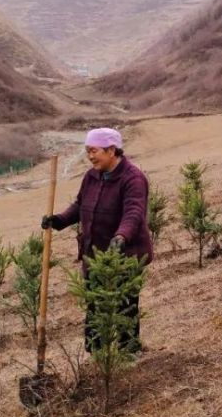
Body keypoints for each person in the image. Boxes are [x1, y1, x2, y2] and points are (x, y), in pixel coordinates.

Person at [41, 127, 152, 353]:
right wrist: (59, 221)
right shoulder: (92, 176)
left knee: (125, 305)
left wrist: (121, 236)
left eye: (94, 151)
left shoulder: (133, 178)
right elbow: (81, 205)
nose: (90, 156)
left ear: (112, 150)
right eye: (87, 151)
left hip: (125, 255)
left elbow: (134, 212)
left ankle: (128, 352)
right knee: (93, 305)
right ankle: (96, 353)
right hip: (94, 254)